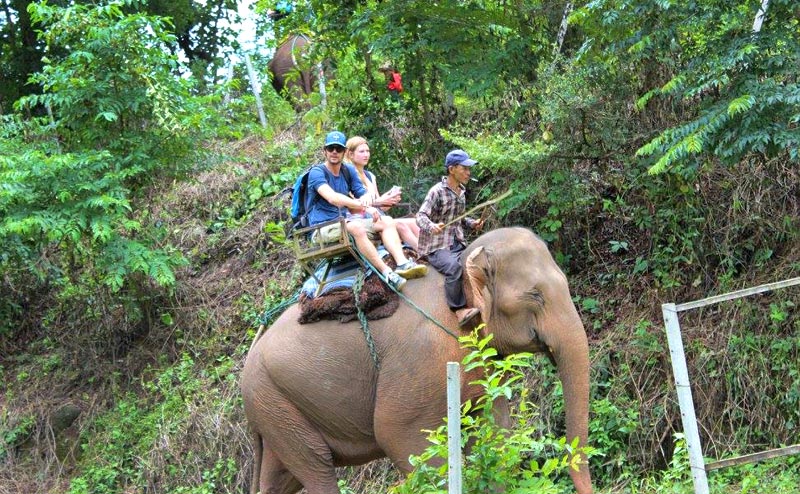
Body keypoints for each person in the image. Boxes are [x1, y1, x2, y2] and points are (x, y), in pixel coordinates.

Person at [306, 131, 427, 292]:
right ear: (325, 151)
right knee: (356, 226)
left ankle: (402, 263)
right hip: (323, 227)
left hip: (344, 222)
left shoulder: (347, 170)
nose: (334, 152)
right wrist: (363, 206)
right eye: (331, 148)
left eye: (338, 149)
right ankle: (387, 273)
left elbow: (362, 193)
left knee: (387, 221)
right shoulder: (317, 172)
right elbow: (333, 198)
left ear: (343, 152)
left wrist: (369, 202)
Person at [416, 149, 484, 328]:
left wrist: (471, 223)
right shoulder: (436, 191)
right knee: (454, 268)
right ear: (452, 169)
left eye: (469, 169)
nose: (469, 172)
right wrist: (432, 226)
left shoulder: (461, 191)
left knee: (478, 259)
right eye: (465, 168)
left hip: (456, 241)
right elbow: (420, 216)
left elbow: (459, 218)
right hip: (436, 246)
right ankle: (459, 309)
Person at [344, 136, 420, 251]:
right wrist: (380, 202)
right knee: (401, 225)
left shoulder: (370, 175)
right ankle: (424, 253)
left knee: (415, 222)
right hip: (362, 219)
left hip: (378, 216)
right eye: (362, 151)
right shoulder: (346, 175)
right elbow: (354, 206)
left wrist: (390, 200)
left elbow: (381, 208)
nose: (366, 155)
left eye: (368, 151)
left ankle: (429, 251)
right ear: (350, 154)